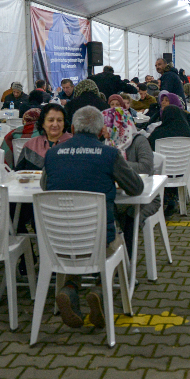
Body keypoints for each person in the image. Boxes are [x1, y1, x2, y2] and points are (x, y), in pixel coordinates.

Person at [41, 106, 144, 329]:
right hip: (99, 238)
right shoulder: (109, 154)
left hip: (59, 239)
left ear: (72, 128)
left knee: (76, 245)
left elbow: (44, 187)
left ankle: (70, 288)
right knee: (116, 245)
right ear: (101, 131)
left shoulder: (52, 154)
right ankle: (99, 289)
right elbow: (136, 188)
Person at [104, 107, 162, 259]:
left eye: (107, 126)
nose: (104, 130)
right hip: (117, 196)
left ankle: (127, 264)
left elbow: (146, 168)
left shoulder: (139, 141)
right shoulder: (106, 143)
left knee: (131, 217)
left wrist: (118, 164)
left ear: (118, 126)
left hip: (145, 197)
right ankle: (111, 259)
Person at [15, 103, 72, 171]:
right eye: (51, 120)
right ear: (42, 123)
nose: (55, 124)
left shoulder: (73, 143)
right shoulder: (30, 145)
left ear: (64, 123)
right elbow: (18, 173)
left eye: (59, 120)